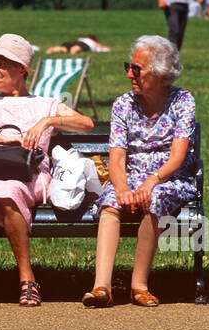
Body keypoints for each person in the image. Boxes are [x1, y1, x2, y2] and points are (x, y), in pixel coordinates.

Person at [0, 34, 94, 307]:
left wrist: (46, 122)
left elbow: (86, 124)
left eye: (0, 63)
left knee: (9, 189)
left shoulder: (44, 105)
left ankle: (26, 277)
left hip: (27, 176)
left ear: (21, 69)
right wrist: (0, 139)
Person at [83, 35, 196, 308]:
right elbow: (117, 157)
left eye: (136, 69)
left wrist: (152, 181)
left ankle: (139, 285)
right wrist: (121, 188)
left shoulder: (183, 101)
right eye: (128, 66)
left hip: (169, 176)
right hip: (130, 173)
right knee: (110, 204)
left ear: (159, 74)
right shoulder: (123, 104)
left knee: (153, 200)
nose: (128, 74)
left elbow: (178, 156)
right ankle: (102, 287)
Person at [45, 35, 111, 54]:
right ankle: (72, 53)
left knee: (63, 48)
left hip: (74, 41)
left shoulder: (82, 38)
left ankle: (49, 51)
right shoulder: (92, 41)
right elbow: (105, 48)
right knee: (75, 48)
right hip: (84, 44)